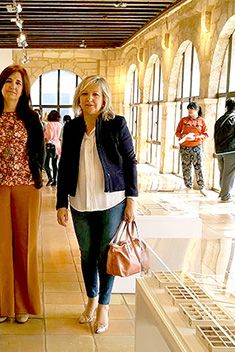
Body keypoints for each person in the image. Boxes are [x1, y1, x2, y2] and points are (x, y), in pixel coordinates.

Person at [55, 75, 138, 334]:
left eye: (95, 95)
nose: (90, 99)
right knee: (86, 253)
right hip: (79, 201)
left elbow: (130, 162)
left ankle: (104, 305)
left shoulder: (116, 124)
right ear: (78, 99)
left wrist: (132, 200)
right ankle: (91, 299)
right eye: (85, 94)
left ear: (104, 99)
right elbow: (65, 165)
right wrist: (61, 203)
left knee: (105, 254)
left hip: (111, 201)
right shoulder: (72, 127)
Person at [0, 65, 45, 324]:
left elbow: (39, 151)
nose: (12, 86)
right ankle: (2, 305)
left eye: (17, 82)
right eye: (8, 81)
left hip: (27, 186)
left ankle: (23, 304)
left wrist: (41, 172)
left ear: (24, 88)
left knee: (26, 246)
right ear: (0, 85)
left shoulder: (31, 118)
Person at [214, 98, 235, 203]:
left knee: (223, 173)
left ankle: (223, 192)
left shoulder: (219, 120)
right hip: (233, 150)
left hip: (220, 151)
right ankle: (225, 196)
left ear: (226, 107)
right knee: (229, 174)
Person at [175, 102, 208, 195]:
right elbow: (177, 132)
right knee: (186, 167)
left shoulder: (202, 121)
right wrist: (183, 135)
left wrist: (196, 137)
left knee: (199, 166)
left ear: (197, 110)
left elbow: (205, 135)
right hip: (184, 147)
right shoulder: (183, 120)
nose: (190, 111)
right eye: (189, 110)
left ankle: (202, 187)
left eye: (192, 109)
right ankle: (188, 186)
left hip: (196, 146)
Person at [43, 110, 62, 186]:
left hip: (50, 146)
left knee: (46, 163)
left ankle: (50, 178)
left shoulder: (49, 124)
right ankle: (55, 180)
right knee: (55, 164)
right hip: (58, 146)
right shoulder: (60, 125)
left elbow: (49, 136)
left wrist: (44, 139)